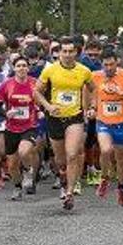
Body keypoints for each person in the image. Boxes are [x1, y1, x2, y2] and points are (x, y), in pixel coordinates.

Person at [38, 38, 94, 210]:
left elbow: (93, 89)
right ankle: (63, 178)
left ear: (76, 53)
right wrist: (48, 106)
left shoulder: (84, 71)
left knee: (72, 155)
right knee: (60, 160)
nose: (68, 55)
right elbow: (37, 92)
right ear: (59, 53)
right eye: (65, 51)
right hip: (55, 118)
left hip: (74, 117)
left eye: (71, 51)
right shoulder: (50, 71)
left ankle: (70, 192)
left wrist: (92, 106)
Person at [90, 47, 123, 207]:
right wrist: (90, 108)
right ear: (101, 64)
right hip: (103, 121)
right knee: (105, 150)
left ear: (117, 62)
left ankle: (120, 189)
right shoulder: (95, 76)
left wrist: (121, 92)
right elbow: (88, 92)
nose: (109, 68)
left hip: (122, 122)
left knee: (121, 158)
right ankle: (104, 178)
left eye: (111, 64)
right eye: (106, 65)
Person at [0, 57, 44, 202]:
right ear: (14, 68)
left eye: (24, 66)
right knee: (12, 164)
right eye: (18, 66)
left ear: (28, 68)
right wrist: (5, 113)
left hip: (30, 126)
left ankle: (28, 172)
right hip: (11, 127)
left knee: (24, 151)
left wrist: (40, 110)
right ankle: (17, 186)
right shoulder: (6, 85)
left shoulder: (35, 84)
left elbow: (44, 100)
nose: (22, 68)